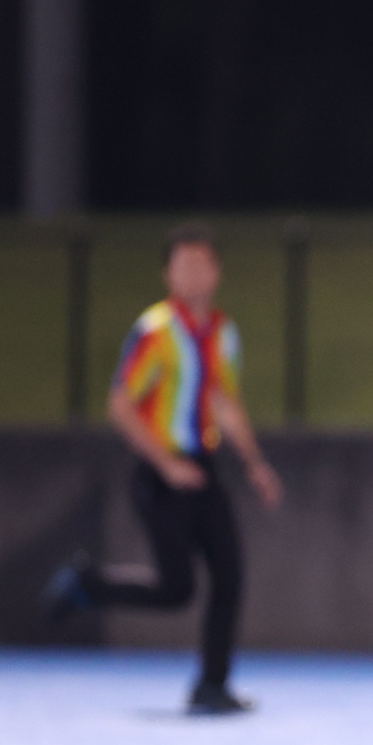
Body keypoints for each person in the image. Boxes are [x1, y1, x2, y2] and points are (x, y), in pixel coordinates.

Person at [44, 224, 282, 714]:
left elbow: (224, 401)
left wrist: (254, 463)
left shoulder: (223, 333)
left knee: (230, 574)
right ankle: (87, 584)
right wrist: (167, 465)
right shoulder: (156, 331)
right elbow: (120, 405)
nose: (192, 274)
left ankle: (212, 685)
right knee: (176, 588)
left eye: (201, 263)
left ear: (217, 272)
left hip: (203, 469)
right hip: (160, 476)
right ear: (167, 274)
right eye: (182, 265)